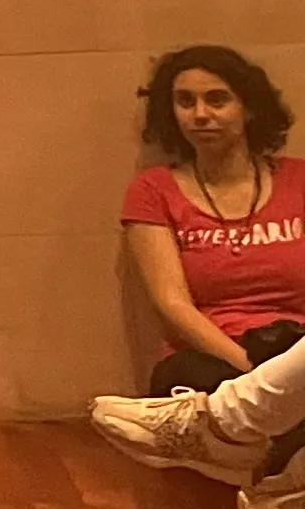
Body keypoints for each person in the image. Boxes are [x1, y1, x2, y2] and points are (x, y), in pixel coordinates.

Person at [96, 47, 305, 496]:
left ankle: (274, 478)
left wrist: (284, 371)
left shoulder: (299, 180)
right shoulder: (154, 190)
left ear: (249, 108)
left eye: (217, 99)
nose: (200, 114)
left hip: (296, 343)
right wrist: (254, 371)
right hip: (210, 355)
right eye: (185, 101)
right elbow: (172, 303)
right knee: (204, 391)